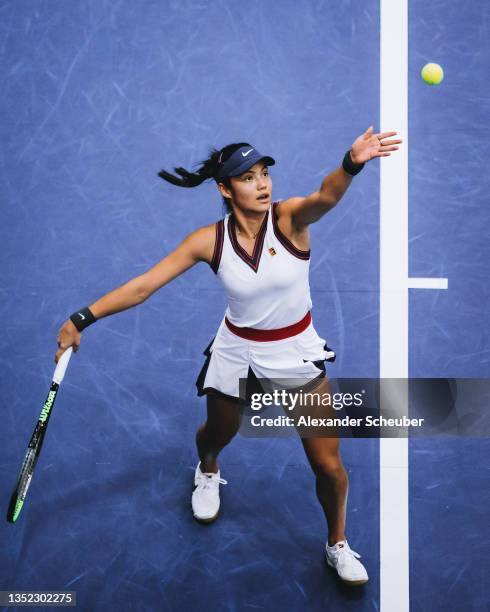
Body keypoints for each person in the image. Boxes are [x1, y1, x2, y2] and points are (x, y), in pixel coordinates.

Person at [55, 127, 402, 586]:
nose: (262, 184)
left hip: (294, 352)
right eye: (247, 177)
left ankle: (336, 544)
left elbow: (327, 195)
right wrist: (82, 318)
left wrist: (352, 163)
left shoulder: (291, 219)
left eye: (264, 174)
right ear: (225, 188)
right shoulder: (208, 241)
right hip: (238, 351)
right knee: (218, 433)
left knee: (329, 467)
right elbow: (144, 285)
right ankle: (207, 469)